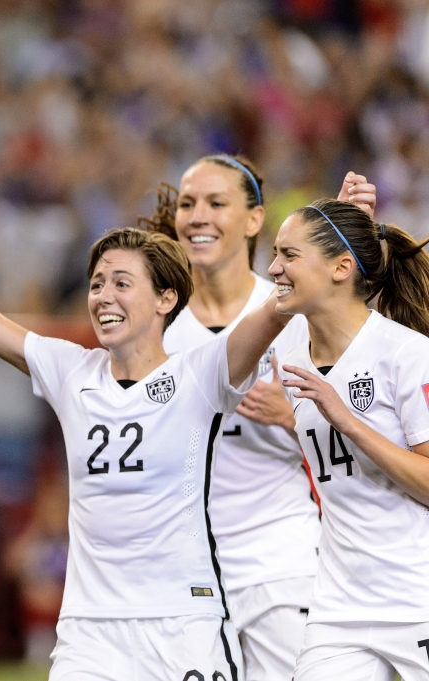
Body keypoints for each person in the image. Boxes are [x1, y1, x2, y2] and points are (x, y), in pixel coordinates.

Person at [0, 210, 294, 680]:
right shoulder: (72, 370)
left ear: (166, 298)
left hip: (182, 624)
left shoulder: (201, 374)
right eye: (97, 284)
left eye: (122, 283)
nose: (104, 296)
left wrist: (338, 232)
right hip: (91, 633)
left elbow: (275, 309)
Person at [143, 157, 377, 680]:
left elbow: (374, 429)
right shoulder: (154, 325)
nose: (198, 215)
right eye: (187, 204)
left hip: (283, 565)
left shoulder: (299, 310)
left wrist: (295, 420)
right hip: (187, 578)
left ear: (254, 220)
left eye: (216, 203)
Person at [270, 199, 429, 681]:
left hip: (417, 593)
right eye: (275, 253)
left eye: (289, 255)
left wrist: (348, 420)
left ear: (342, 267)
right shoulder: (291, 357)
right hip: (339, 607)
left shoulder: (407, 353)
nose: (274, 267)